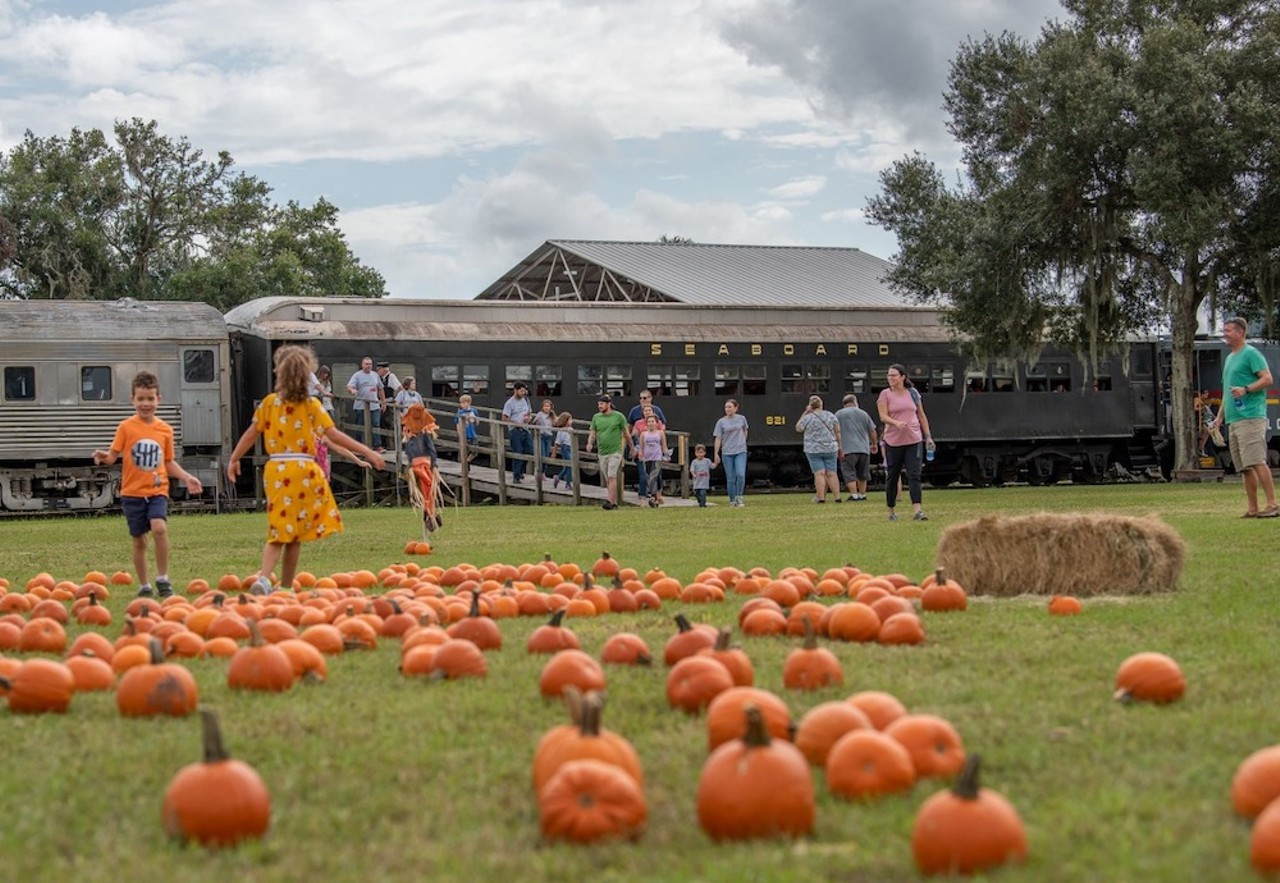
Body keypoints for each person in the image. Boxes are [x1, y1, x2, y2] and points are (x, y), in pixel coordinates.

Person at [228, 345, 385, 594]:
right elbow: (333, 434)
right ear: (307, 375)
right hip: (303, 470)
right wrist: (368, 451)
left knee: (279, 527)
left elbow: (251, 433)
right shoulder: (311, 405)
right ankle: (287, 587)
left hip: (276, 469)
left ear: (279, 373)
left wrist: (234, 458)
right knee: (296, 533)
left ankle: (265, 578)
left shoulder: (269, 403)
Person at [92, 371, 204, 599]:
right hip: (132, 493)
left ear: (158, 400)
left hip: (157, 491)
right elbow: (113, 456)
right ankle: (144, 585)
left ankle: (163, 578)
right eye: (141, 399)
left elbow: (168, 461)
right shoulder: (126, 428)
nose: (146, 404)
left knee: (160, 528)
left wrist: (186, 477)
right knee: (139, 540)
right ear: (132, 399)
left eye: (150, 398)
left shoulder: (165, 430)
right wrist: (103, 456)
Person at [1208, 316, 1277, 517]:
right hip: (1234, 419)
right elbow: (1228, 392)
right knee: (1244, 466)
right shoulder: (1230, 358)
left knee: (1257, 460)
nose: (1224, 334)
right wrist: (1220, 417)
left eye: (1228, 330)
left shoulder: (1251, 354)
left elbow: (1267, 379)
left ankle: (1273, 504)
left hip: (1251, 417)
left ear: (1240, 332)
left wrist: (1246, 389)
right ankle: (1253, 508)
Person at [878, 363, 934, 521]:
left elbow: (921, 415)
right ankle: (891, 511)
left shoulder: (913, 393)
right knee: (893, 476)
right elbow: (883, 416)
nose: (890, 378)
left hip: (914, 439)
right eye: (889, 375)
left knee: (914, 475)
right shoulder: (885, 395)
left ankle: (918, 511)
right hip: (893, 441)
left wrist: (928, 436)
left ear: (902, 377)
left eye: (893, 375)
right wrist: (896, 423)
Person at [586, 394, 633, 510]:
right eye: (598, 404)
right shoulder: (596, 417)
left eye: (602, 404)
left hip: (615, 451)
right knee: (608, 478)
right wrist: (589, 443)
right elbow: (593, 432)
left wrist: (632, 447)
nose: (599, 406)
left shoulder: (618, 417)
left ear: (608, 404)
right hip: (602, 452)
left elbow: (626, 433)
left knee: (612, 476)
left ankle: (610, 502)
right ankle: (614, 502)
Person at [402, 403, 443, 532]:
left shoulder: (426, 433)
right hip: (414, 466)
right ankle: (429, 515)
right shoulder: (409, 435)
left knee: (428, 490)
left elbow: (431, 449)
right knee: (421, 492)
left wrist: (434, 464)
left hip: (425, 465)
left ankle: (430, 514)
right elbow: (408, 451)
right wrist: (409, 465)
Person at [796, 395, 842, 503]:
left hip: (813, 449)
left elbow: (798, 428)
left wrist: (805, 412)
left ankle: (821, 498)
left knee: (819, 474)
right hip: (830, 448)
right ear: (821, 404)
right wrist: (839, 446)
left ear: (810, 406)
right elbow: (838, 431)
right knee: (832, 473)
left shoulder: (808, 418)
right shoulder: (830, 416)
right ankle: (837, 497)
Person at [835, 393, 879, 501]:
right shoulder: (864, 414)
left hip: (847, 448)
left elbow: (835, 430)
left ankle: (854, 495)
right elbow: (872, 431)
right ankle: (862, 494)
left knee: (849, 471)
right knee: (862, 473)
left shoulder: (839, 414)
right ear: (855, 402)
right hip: (864, 448)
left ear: (844, 404)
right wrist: (874, 444)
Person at [712, 398, 749, 507]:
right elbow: (718, 438)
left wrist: (743, 442)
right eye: (726, 407)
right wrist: (716, 453)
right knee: (731, 477)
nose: (727, 409)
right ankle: (732, 500)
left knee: (740, 474)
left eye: (730, 407)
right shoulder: (721, 422)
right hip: (727, 452)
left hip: (740, 450)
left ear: (736, 408)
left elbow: (745, 430)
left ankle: (739, 497)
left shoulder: (742, 419)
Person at [345, 357, 385, 451]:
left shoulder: (375, 375)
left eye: (370, 364)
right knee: (360, 425)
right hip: (361, 405)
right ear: (362, 365)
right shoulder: (357, 375)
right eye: (366, 364)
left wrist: (383, 402)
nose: (368, 366)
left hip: (374, 405)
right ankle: (359, 446)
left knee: (376, 424)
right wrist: (353, 390)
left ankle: (377, 445)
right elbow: (349, 386)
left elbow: (380, 388)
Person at [502, 381, 534, 482]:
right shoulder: (509, 403)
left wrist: (529, 418)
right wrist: (515, 423)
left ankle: (520, 471)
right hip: (515, 430)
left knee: (529, 452)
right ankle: (516, 476)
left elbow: (529, 413)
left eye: (524, 391)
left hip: (525, 429)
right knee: (518, 452)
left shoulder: (526, 400)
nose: (523, 393)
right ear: (515, 390)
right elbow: (504, 418)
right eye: (521, 391)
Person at [637, 414, 671, 507]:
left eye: (652, 421)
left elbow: (664, 445)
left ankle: (652, 497)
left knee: (654, 476)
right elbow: (641, 447)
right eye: (649, 421)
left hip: (657, 457)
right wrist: (640, 454)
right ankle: (656, 497)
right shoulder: (643, 434)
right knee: (650, 477)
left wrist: (666, 455)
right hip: (647, 458)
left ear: (656, 423)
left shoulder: (660, 433)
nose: (650, 423)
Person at [531, 398, 557, 480]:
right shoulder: (540, 414)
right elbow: (533, 423)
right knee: (541, 454)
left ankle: (543, 472)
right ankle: (538, 471)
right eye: (545, 406)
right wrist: (536, 423)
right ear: (542, 407)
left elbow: (556, 423)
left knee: (546, 455)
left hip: (548, 436)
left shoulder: (552, 415)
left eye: (548, 406)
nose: (546, 408)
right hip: (541, 436)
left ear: (551, 407)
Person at [552, 411, 575, 489]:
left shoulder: (571, 429)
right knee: (569, 465)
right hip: (565, 448)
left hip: (570, 448)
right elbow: (557, 442)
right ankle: (568, 483)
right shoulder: (561, 431)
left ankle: (558, 477)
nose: (572, 421)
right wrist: (554, 452)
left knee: (567, 466)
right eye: (570, 420)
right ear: (565, 421)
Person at [455, 393, 480, 462]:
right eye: (463, 403)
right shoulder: (459, 413)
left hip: (472, 433)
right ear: (460, 404)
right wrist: (460, 435)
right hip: (464, 434)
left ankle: (467, 461)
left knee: (475, 450)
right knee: (464, 451)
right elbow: (457, 424)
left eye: (467, 402)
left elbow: (477, 422)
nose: (465, 404)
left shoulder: (474, 411)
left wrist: (474, 419)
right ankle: (465, 467)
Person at [690, 443, 712, 507]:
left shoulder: (707, 461)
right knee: (697, 493)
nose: (699, 454)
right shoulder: (694, 462)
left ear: (704, 453)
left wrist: (716, 462)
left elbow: (712, 466)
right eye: (698, 452)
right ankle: (699, 501)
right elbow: (692, 470)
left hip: (704, 481)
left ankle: (703, 504)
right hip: (697, 481)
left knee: (703, 493)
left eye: (701, 452)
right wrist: (694, 474)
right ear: (695, 453)